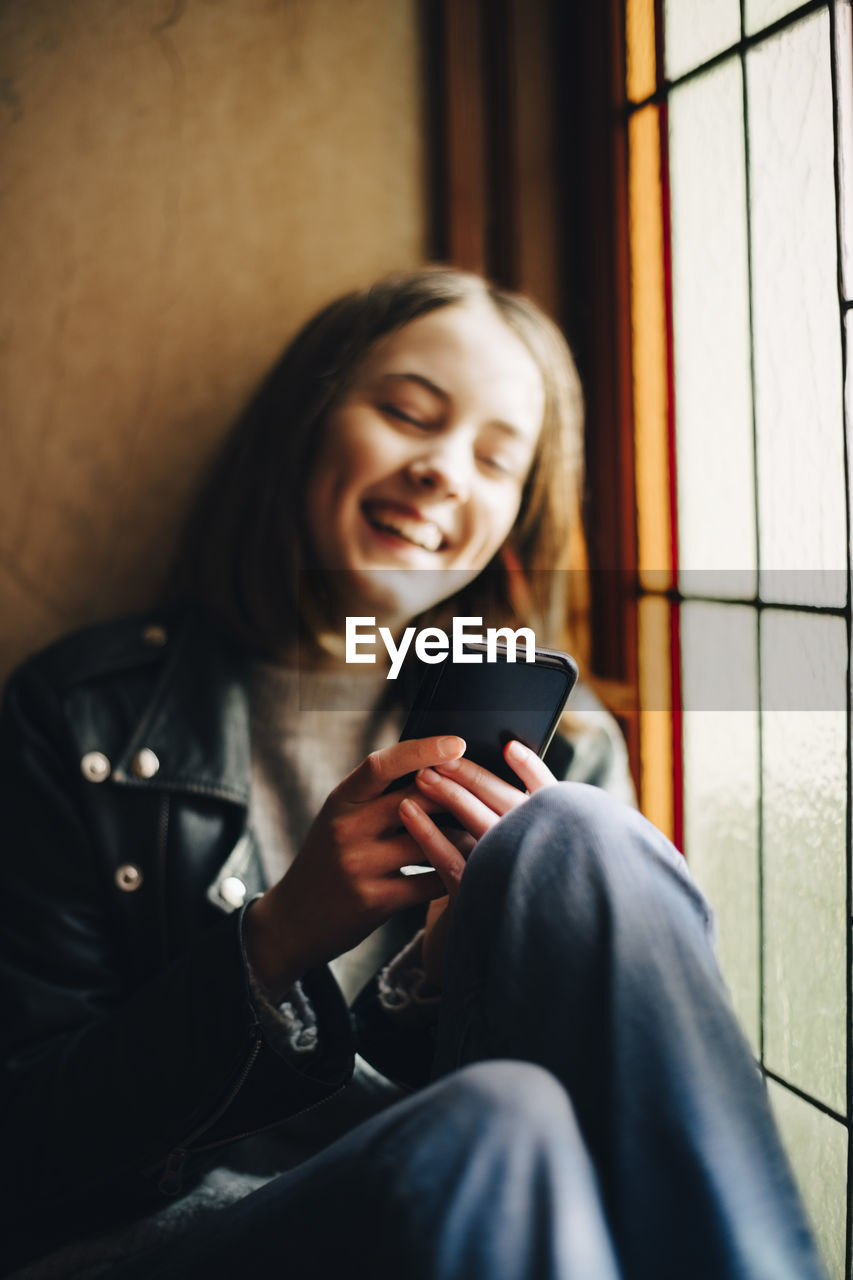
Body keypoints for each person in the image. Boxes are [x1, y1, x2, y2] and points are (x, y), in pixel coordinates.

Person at [0, 268, 826, 1280]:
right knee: (497, 1124)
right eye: (406, 412)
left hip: (483, 1210)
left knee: (577, 844)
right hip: (164, 1240)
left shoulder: (561, 746)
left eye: (494, 457)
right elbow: (23, 1141)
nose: (443, 471)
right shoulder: (77, 714)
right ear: (306, 421)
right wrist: (274, 941)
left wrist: (449, 975)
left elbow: (621, 1100)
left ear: (515, 514)